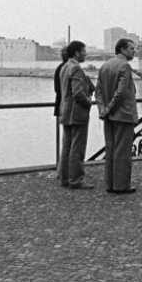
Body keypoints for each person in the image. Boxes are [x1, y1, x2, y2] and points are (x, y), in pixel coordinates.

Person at [96, 38, 142, 194]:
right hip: (123, 114)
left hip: (108, 117)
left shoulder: (105, 65)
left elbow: (98, 92)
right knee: (122, 152)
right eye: (131, 48)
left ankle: (110, 184)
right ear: (122, 50)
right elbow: (121, 93)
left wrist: (103, 110)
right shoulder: (124, 65)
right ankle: (121, 185)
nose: (134, 51)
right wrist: (110, 109)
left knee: (111, 150)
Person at [58, 41, 95, 189]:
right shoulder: (76, 68)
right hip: (77, 112)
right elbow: (78, 92)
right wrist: (88, 102)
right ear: (77, 53)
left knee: (67, 146)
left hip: (65, 111)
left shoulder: (64, 67)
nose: (86, 54)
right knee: (77, 147)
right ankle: (76, 179)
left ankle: (64, 178)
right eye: (84, 51)